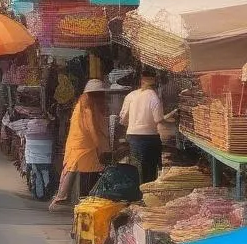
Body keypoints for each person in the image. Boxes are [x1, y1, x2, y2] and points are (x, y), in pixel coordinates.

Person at [49, 79, 112, 211]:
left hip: (79, 148)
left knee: (83, 178)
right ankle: (84, 211)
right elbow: (93, 129)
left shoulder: (81, 104)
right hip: (86, 150)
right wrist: (101, 148)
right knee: (88, 182)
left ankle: (78, 206)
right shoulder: (88, 107)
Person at [120, 67, 175, 184]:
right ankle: (146, 195)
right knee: (149, 171)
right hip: (149, 138)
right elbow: (159, 119)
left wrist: (133, 125)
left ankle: (138, 196)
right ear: (155, 82)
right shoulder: (153, 97)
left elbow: (123, 119)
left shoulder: (131, 96)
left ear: (141, 81)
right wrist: (172, 121)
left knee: (136, 169)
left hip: (132, 137)